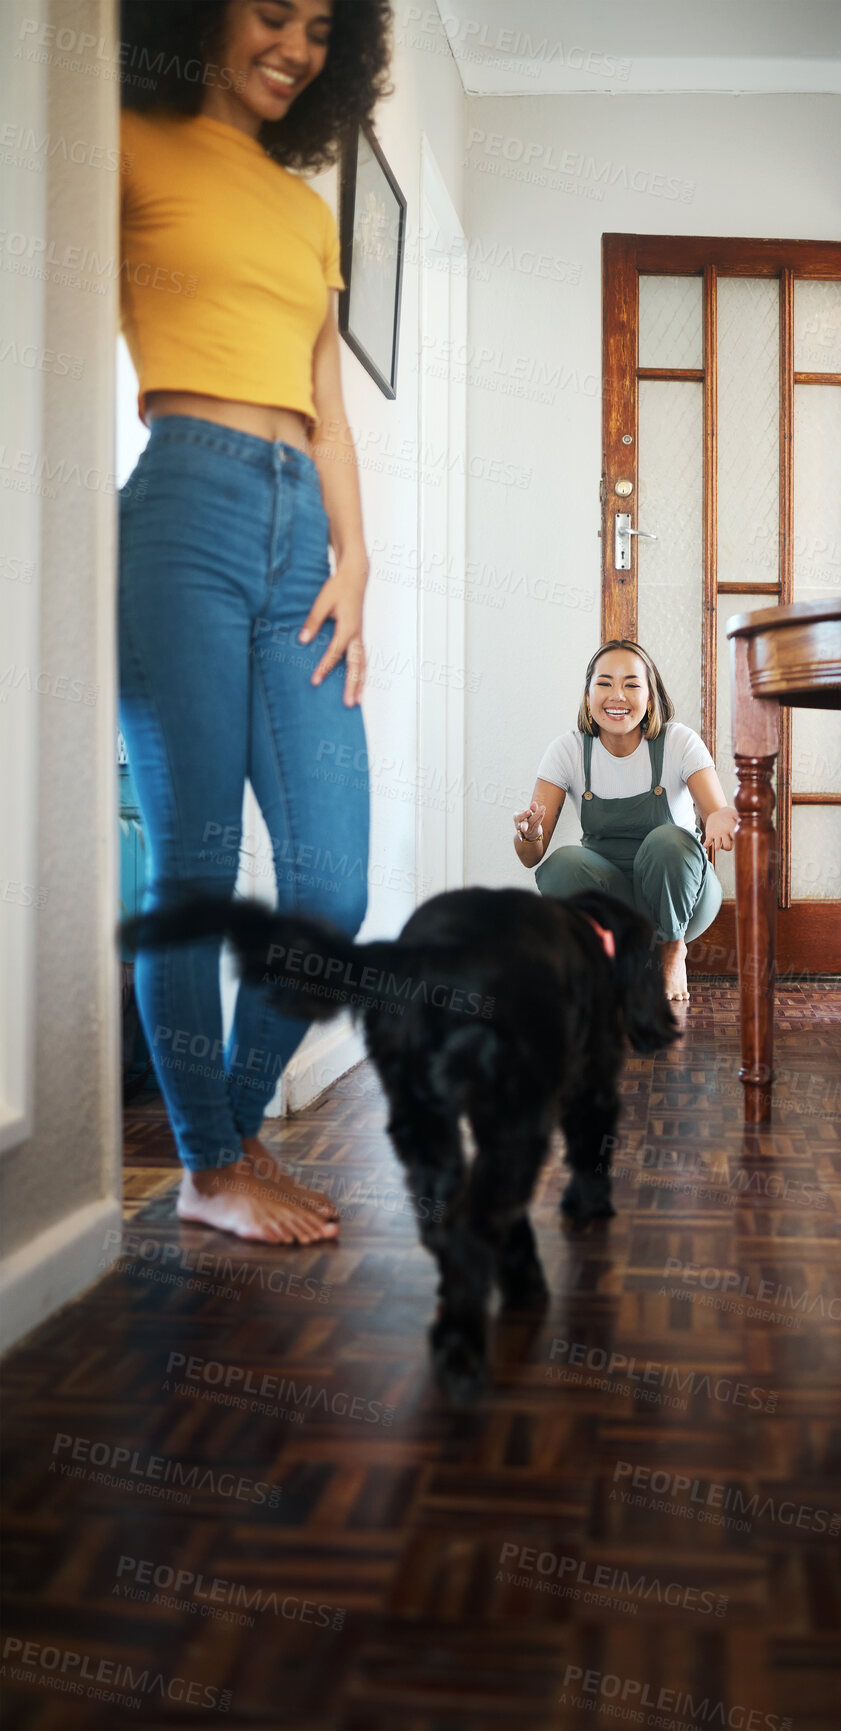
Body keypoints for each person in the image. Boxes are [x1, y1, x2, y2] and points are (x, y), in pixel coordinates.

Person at [117, 0, 392, 1244]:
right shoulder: (125, 138)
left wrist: (356, 556)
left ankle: (219, 1141)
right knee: (192, 867)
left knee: (329, 890)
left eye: (320, 30)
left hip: (299, 548)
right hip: (181, 503)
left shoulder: (303, 204)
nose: (294, 46)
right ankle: (214, 1161)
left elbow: (327, 393)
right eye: (269, 14)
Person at [513, 640, 737, 1000]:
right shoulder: (568, 751)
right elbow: (531, 857)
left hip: (682, 897)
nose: (617, 695)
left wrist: (720, 819)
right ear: (588, 696)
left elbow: (716, 812)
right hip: (613, 895)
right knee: (562, 864)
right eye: (604, 683)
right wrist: (529, 834)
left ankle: (671, 952)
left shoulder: (679, 742)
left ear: (651, 698)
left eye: (632, 684)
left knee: (668, 841)